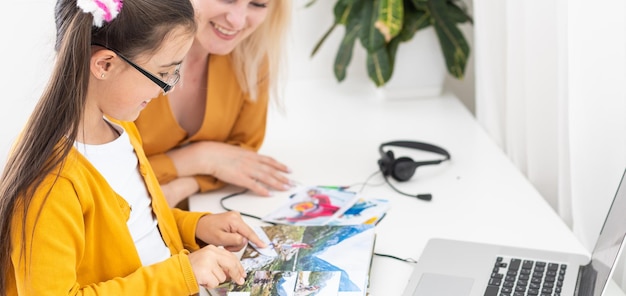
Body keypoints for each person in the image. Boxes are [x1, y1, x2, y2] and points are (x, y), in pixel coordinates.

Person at [0, 0, 265, 294]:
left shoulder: (121, 128)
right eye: (163, 74)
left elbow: (134, 227)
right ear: (105, 64)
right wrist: (181, 273)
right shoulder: (52, 183)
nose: (168, 89)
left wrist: (195, 226)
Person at [134, 0, 293, 207]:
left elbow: (242, 158)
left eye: (258, 4)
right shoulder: (127, 57)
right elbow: (98, 176)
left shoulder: (250, 59)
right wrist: (200, 159)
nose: (237, 21)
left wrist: (184, 186)